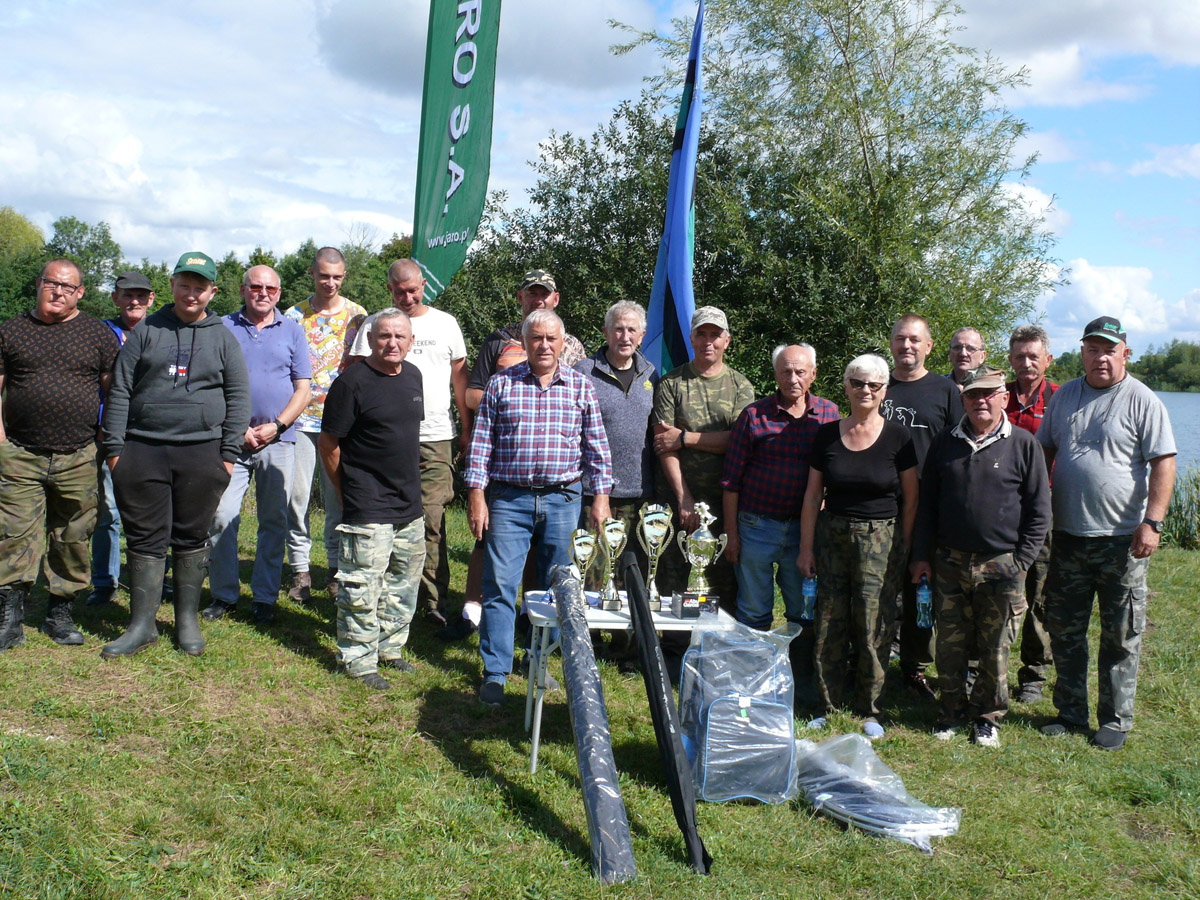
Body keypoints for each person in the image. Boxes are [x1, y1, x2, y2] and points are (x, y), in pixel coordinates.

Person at [100, 252, 250, 658]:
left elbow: (238, 397)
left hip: (203, 454)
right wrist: (116, 452)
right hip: (142, 450)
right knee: (146, 538)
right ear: (171, 286)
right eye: (185, 285)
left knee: (191, 536)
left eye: (200, 287)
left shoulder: (223, 337)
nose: (191, 293)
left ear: (212, 291)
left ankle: (186, 620)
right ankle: (141, 625)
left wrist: (227, 456)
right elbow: (120, 392)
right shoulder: (148, 330)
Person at [1037, 316, 1176, 751]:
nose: (1100, 357)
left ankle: (1115, 719)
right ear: (1082, 352)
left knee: (1121, 633)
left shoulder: (1143, 400)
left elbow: (1164, 463)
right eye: (1092, 349)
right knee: (1066, 630)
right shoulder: (1064, 399)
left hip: (1122, 540)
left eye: (1109, 349)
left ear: (1125, 354)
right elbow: (1043, 451)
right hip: (1068, 537)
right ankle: (1070, 711)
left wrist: (1152, 522)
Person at [464, 310, 613, 706]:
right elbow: (480, 448)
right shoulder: (501, 384)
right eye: (537, 338)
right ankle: (495, 671)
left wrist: (601, 499)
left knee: (555, 590)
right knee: (500, 584)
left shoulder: (581, 387)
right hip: (509, 498)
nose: (544, 345)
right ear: (525, 342)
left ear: (563, 343)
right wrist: (477, 497)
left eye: (551, 338)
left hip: (563, 498)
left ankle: (539, 661)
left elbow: (597, 450)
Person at [440, 270, 587, 642]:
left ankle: (530, 617)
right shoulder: (498, 340)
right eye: (531, 294)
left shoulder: (573, 346)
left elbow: (581, 401)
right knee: (486, 542)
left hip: (556, 476)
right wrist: (507, 393)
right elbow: (473, 394)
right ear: (520, 297)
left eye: (545, 294)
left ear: (555, 299)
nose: (538, 299)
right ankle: (472, 612)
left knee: (546, 554)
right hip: (505, 465)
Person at [911, 364, 1050, 748]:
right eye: (973, 394)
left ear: (1004, 397)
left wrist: (1020, 561)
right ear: (964, 399)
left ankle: (988, 717)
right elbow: (928, 506)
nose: (981, 400)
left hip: (1002, 564)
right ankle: (950, 712)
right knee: (951, 644)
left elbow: (1040, 512)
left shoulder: (1023, 444)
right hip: (950, 561)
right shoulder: (944, 442)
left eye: (989, 393)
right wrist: (922, 556)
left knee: (996, 646)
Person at [0, 259, 120, 650]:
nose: (58, 292)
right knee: (11, 533)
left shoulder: (97, 334)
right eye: (52, 283)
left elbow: (112, 391)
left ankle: (59, 611)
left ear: (80, 293)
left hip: (79, 454)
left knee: (73, 535)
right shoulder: (11, 330)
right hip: (19, 451)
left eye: (68, 287)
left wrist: (106, 436)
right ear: (38, 284)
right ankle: (9, 616)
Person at [797, 354, 918, 741]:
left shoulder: (900, 437)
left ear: (884, 391)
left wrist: (905, 547)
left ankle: (870, 707)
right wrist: (806, 547)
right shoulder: (826, 435)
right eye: (858, 383)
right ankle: (826, 704)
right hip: (832, 536)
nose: (866, 390)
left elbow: (911, 500)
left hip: (882, 539)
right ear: (846, 386)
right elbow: (813, 494)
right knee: (829, 620)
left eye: (875, 385)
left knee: (873, 624)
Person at [350, 259, 469, 626]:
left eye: (413, 289)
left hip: (435, 436)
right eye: (400, 291)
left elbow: (460, 380)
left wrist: (467, 428)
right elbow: (356, 375)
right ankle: (387, 599)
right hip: (383, 440)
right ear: (389, 289)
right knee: (384, 521)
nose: (408, 296)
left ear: (423, 285)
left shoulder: (445, 323)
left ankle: (432, 603)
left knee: (430, 519)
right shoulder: (375, 324)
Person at [319, 309, 426, 690]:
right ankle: (358, 660)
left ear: (411, 341)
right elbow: (329, 444)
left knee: (402, 584)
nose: (392, 343)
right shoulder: (352, 384)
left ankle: (389, 649)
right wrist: (346, 489)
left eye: (400, 336)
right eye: (384, 336)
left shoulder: (414, 376)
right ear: (371, 339)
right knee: (361, 588)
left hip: (409, 505)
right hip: (367, 504)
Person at [202, 266, 311, 626]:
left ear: (279, 293)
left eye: (270, 288)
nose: (263, 293)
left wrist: (277, 425)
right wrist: (236, 430)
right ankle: (224, 595)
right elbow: (211, 384)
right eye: (256, 286)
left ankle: (264, 597)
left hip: (279, 441)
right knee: (221, 517)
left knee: (274, 520)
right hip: (230, 440)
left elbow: (303, 388)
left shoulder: (293, 330)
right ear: (242, 289)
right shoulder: (221, 327)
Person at [652, 307, 755, 619]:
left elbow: (738, 442)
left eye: (715, 335)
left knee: (720, 583)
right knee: (673, 579)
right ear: (692, 338)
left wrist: (684, 438)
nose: (708, 341)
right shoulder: (672, 383)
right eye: (702, 334)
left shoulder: (741, 387)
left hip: (724, 502)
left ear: (727, 341)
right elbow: (662, 444)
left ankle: (717, 650)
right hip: (678, 499)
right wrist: (684, 497)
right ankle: (671, 650)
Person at [880, 313, 963, 701]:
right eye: (900, 339)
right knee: (877, 589)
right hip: (878, 506)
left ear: (929, 346)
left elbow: (961, 448)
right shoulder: (877, 384)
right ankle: (872, 662)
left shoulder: (946, 391)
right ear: (892, 343)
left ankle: (914, 669)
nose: (906, 346)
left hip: (929, 507)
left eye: (915, 339)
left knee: (920, 589)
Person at [574, 300, 658, 666]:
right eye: (618, 329)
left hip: (641, 493)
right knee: (591, 571)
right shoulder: (582, 372)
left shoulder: (653, 376)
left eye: (632, 330)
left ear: (641, 336)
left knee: (631, 573)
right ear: (607, 332)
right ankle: (587, 645)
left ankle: (626, 647)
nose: (625, 336)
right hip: (593, 492)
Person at [284, 247, 368, 603]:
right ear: (312, 274)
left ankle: (335, 569)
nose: (330, 283)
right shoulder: (292, 315)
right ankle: (300, 570)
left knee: (338, 500)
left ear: (343, 277)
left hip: (342, 423)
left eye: (336, 277)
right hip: (301, 419)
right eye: (323, 276)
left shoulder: (358, 316)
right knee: (297, 497)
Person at [87, 271, 156, 606]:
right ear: (115, 298)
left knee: (154, 511)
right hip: (106, 432)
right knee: (107, 510)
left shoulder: (164, 331)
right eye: (127, 295)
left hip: (150, 433)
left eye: (141, 295)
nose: (134, 301)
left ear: (151, 299)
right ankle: (105, 582)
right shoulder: (100, 332)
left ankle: (156, 579)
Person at [1005, 324, 1058, 703]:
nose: (1026, 363)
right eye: (1020, 356)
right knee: (994, 591)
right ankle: (982, 667)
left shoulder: (1061, 399)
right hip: (1001, 511)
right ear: (1010, 359)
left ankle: (1034, 675)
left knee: (1039, 590)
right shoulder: (995, 396)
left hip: (1043, 510)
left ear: (1048, 360)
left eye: (1033, 356)